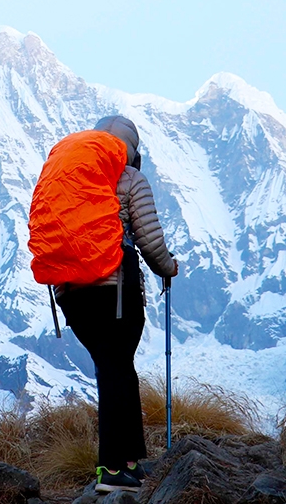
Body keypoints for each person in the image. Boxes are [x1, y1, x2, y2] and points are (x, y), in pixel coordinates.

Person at [54, 115, 178, 493]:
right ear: (132, 151)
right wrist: (168, 267)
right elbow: (149, 240)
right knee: (117, 370)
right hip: (115, 291)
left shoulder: (68, 179)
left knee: (116, 368)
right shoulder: (129, 178)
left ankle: (130, 463)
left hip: (71, 293)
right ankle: (111, 469)